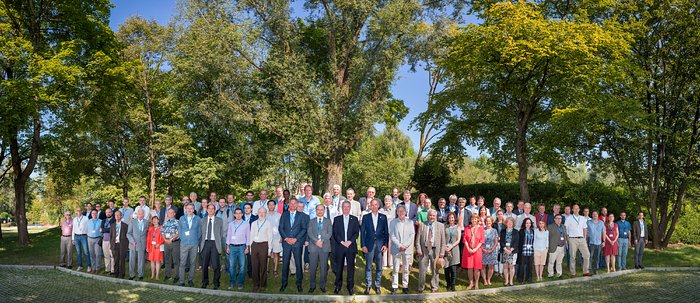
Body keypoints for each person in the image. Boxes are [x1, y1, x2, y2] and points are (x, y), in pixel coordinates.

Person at [279, 198, 309, 292]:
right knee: (285, 263)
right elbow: (281, 228)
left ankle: (299, 283)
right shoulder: (284, 215)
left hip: (297, 243)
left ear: (296, 205)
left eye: (294, 203)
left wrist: (296, 239)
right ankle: (284, 283)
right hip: (286, 243)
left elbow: (304, 229)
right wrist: (287, 238)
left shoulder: (302, 216)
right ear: (289, 205)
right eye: (291, 204)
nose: (292, 205)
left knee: (298, 263)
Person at [361, 198, 389, 295]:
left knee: (379, 267)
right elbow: (363, 233)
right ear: (369, 206)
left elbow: (386, 232)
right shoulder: (366, 217)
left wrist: (385, 245)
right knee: (368, 266)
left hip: (380, 246)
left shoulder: (383, 217)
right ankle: (368, 285)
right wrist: (363, 245)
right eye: (372, 205)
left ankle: (377, 285)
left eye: (375, 204)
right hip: (369, 245)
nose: (374, 206)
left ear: (378, 206)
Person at [333, 200, 360, 295]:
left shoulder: (354, 219)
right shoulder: (337, 219)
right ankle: (338, 285)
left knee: (350, 268)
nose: (346, 208)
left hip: (350, 247)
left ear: (350, 208)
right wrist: (342, 242)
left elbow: (356, 233)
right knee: (339, 268)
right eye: (344, 206)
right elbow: (335, 233)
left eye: (347, 207)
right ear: (341, 208)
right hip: (340, 247)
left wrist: (350, 241)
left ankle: (350, 286)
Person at [416, 209, 445, 293]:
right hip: (423, 250)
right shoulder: (422, 225)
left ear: (435, 216)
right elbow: (417, 239)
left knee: (435, 269)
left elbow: (443, 240)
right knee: (422, 270)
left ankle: (434, 287)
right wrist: (418, 249)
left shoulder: (440, 225)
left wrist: (442, 252)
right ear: (427, 216)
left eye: (433, 215)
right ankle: (421, 287)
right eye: (430, 215)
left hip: (435, 250)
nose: (431, 217)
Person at [389, 205, 415, 295]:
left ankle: (405, 286)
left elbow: (412, 235)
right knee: (395, 269)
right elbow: (392, 235)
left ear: (405, 212)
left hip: (407, 249)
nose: (401, 212)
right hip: (396, 248)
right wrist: (399, 245)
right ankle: (394, 286)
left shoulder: (410, 222)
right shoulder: (393, 222)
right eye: (399, 211)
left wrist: (405, 245)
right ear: (396, 212)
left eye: (402, 211)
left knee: (406, 269)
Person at [307, 204, 332, 293]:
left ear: (324, 211)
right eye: (318, 209)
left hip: (324, 247)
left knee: (323, 267)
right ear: (316, 210)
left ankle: (322, 285)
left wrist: (322, 241)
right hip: (314, 247)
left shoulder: (328, 221)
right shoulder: (311, 221)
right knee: (313, 267)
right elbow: (309, 232)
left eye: (322, 209)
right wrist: (316, 241)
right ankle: (312, 285)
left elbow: (329, 233)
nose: (320, 211)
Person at [200, 204, 225, 289]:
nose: (210, 210)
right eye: (209, 209)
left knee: (216, 265)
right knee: (204, 265)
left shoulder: (219, 220)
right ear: (207, 210)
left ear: (215, 210)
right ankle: (205, 282)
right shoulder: (202, 220)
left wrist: (217, 241)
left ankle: (216, 283)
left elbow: (221, 233)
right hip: (205, 243)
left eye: (212, 209)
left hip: (215, 243)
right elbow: (200, 233)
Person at [250, 207, 273, 291]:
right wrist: (250, 247)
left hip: (264, 245)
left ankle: (263, 284)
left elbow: (270, 236)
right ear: (257, 213)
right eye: (260, 212)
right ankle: (256, 284)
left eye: (263, 212)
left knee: (263, 265)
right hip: (254, 245)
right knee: (255, 266)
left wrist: (269, 249)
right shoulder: (253, 223)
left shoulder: (268, 223)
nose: (261, 214)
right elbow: (251, 235)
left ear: (265, 214)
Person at [178, 203, 201, 287]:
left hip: (194, 244)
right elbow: (179, 230)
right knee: (182, 263)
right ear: (185, 209)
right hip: (184, 243)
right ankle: (181, 281)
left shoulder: (197, 218)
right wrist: (183, 238)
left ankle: (190, 279)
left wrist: (194, 238)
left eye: (191, 208)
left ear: (194, 209)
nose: (190, 210)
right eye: (188, 208)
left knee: (192, 263)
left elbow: (199, 231)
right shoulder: (181, 218)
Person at [566, 204, 592, 277]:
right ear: (572, 210)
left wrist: (584, 237)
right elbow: (565, 228)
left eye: (577, 208)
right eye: (575, 208)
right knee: (572, 256)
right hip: (572, 239)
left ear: (579, 209)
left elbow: (585, 228)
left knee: (587, 255)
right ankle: (573, 273)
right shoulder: (569, 218)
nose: (576, 210)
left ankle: (585, 271)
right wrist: (568, 238)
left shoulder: (583, 218)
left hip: (582, 239)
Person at [226, 208, 249, 290]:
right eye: (236, 213)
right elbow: (228, 235)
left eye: (240, 213)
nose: (238, 215)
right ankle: (232, 282)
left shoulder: (246, 224)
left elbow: (248, 236)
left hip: (241, 247)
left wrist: (247, 247)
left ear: (242, 214)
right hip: (232, 247)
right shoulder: (231, 224)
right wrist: (227, 246)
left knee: (242, 266)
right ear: (234, 215)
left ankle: (240, 283)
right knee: (232, 266)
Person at [462, 214, 484, 290]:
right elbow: (464, 239)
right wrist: (468, 248)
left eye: (475, 219)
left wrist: (475, 249)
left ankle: (477, 283)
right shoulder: (467, 228)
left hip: (477, 251)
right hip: (468, 250)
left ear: (478, 220)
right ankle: (471, 283)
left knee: (476, 268)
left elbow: (482, 240)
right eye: (472, 219)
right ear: (470, 220)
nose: (474, 220)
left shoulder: (481, 228)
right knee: (470, 268)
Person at [127, 208, 148, 280]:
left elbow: (147, 233)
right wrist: (132, 241)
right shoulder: (132, 222)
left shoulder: (146, 222)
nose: (141, 215)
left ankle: (140, 274)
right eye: (139, 214)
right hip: (133, 244)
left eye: (142, 214)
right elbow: (128, 233)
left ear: (144, 214)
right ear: (137, 214)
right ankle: (132, 274)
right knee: (132, 260)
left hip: (142, 244)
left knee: (141, 260)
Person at [444, 212, 461, 291]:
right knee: (446, 268)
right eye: (450, 217)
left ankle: (453, 284)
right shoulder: (445, 227)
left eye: (452, 217)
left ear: (455, 218)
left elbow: (458, 240)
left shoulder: (458, 227)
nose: (451, 219)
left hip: (454, 249)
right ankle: (448, 284)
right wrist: (445, 247)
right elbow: (442, 238)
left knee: (453, 269)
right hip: (446, 249)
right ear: (448, 219)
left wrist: (451, 246)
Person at [162, 208, 180, 283]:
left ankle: (176, 276)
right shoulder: (165, 222)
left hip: (175, 242)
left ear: (174, 214)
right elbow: (162, 232)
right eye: (169, 213)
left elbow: (178, 233)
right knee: (167, 260)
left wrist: (171, 239)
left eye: (172, 213)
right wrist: (165, 240)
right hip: (166, 243)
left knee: (175, 260)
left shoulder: (177, 222)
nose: (170, 214)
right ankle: (167, 275)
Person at [500, 217, 519, 286]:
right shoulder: (503, 231)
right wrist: (505, 249)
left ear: (513, 224)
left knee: (511, 266)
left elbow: (516, 242)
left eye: (511, 222)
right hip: (504, 250)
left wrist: (510, 250)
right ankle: (506, 281)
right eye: (508, 222)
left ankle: (511, 281)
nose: (509, 223)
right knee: (505, 266)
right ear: (506, 223)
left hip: (512, 251)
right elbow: (501, 241)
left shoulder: (516, 231)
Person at [110, 210, 129, 279]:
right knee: (116, 259)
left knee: (122, 260)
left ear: (121, 216)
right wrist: (111, 245)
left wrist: (126, 246)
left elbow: (127, 236)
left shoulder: (125, 225)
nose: (117, 216)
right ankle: (116, 273)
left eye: (119, 215)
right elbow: (111, 236)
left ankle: (122, 274)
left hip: (122, 245)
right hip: (114, 244)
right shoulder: (112, 225)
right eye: (116, 215)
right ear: (114, 216)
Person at [266, 200, 282, 277]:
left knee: (276, 254)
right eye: (270, 205)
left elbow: (282, 227)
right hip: (266, 238)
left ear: (275, 206)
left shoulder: (279, 215)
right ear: (267, 206)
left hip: (276, 237)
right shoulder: (265, 215)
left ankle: (275, 270)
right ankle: (266, 269)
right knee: (267, 254)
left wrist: (282, 237)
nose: (271, 206)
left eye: (273, 205)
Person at [481, 216, 499, 285]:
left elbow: (496, 241)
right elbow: (480, 241)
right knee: (483, 266)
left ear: (492, 222)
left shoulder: (494, 231)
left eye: (489, 221)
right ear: (485, 222)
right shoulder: (482, 230)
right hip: (483, 250)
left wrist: (492, 250)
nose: (488, 222)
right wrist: (483, 249)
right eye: (487, 221)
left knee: (491, 266)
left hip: (492, 251)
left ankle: (488, 279)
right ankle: (484, 280)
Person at [380, 195, 396, 269]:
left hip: (392, 231)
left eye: (389, 201)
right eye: (386, 201)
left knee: (391, 247)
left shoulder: (395, 210)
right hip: (383, 232)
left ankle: (391, 263)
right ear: (384, 201)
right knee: (384, 247)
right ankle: (384, 264)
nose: (387, 202)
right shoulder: (381, 210)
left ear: (391, 202)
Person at [72, 207, 90, 272]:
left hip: (84, 236)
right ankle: (80, 265)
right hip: (76, 237)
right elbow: (73, 228)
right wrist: (73, 239)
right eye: (77, 210)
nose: (78, 211)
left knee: (86, 252)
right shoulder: (74, 219)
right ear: (76, 211)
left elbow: (88, 227)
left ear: (82, 211)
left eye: (80, 210)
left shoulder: (85, 218)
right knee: (78, 252)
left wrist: (88, 235)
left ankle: (89, 266)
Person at [586, 210, 604, 275]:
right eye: (593, 214)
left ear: (598, 215)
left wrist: (604, 241)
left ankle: (596, 269)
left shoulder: (601, 223)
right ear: (592, 215)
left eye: (596, 214)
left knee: (597, 257)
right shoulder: (588, 222)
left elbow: (604, 232)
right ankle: (589, 269)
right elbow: (585, 231)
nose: (594, 215)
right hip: (591, 242)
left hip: (599, 242)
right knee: (590, 256)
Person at [101, 208, 115, 274]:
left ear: (112, 213)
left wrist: (104, 230)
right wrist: (106, 229)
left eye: (109, 212)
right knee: (106, 256)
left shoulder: (114, 220)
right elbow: (101, 229)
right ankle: (107, 269)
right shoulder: (103, 221)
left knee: (112, 255)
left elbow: (112, 229)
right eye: (107, 212)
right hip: (104, 240)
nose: (108, 213)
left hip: (111, 240)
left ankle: (113, 270)